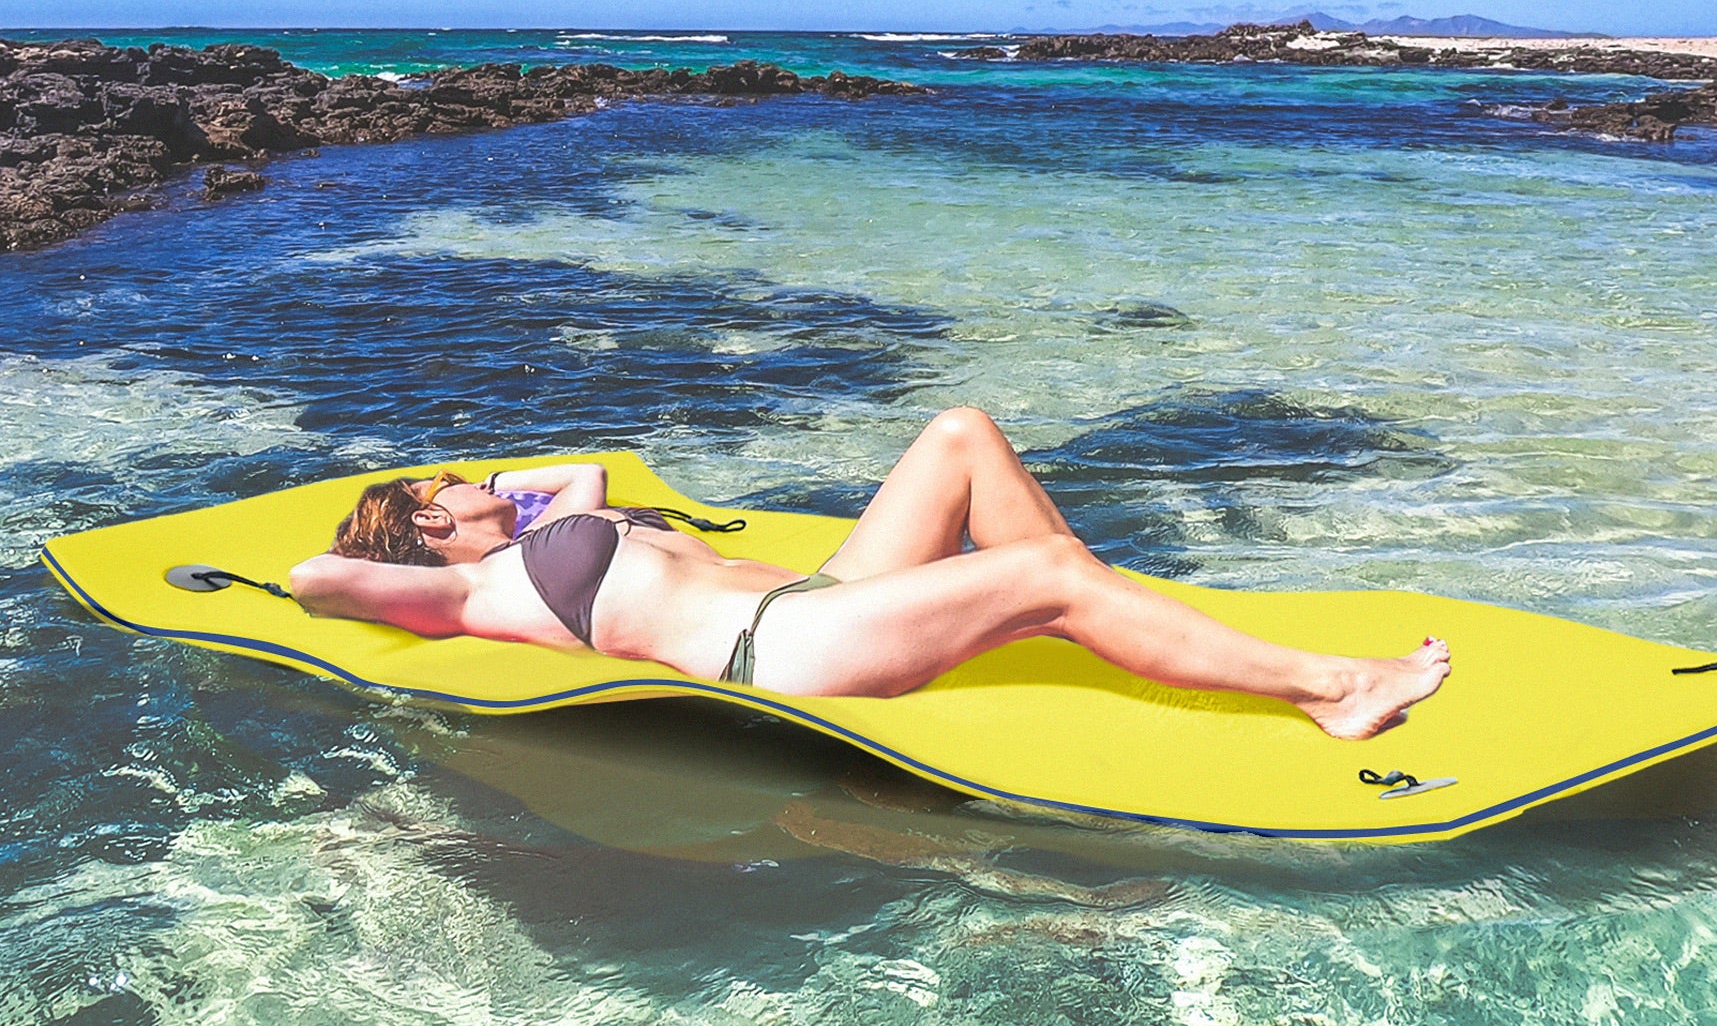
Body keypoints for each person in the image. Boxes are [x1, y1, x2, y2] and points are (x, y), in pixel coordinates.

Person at [290, 408, 1449, 739]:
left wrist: (484, 491)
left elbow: (581, 468)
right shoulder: (469, 591)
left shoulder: (538, 536)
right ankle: (1333, 689)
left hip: (824, 597)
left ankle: (1091, 603)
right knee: (1041, 569)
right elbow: (311, 577)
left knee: (958, 433)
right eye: (450, 484)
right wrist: (397, 524)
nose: (485, 478)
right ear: (426, 529)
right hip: (781, 654)